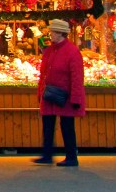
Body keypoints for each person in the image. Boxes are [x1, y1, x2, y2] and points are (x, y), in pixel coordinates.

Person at [33, 19, 86, 167]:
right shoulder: (50, 50)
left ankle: (71, 156)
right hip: (50, 93)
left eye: (52, 32)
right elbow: (43, 73)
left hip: (65, 95)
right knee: (47, 124)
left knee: (67, 126)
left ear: (60, 33)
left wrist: (76, 98)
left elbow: (77, 77)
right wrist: (40, 92)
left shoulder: (72, 51)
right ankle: (47, 154)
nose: (50, 35)